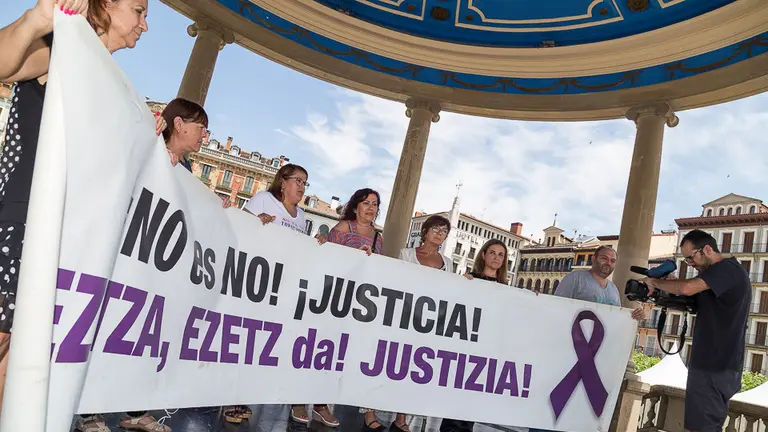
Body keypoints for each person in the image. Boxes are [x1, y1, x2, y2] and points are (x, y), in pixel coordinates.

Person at [0, 0, 165, 429]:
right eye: (139, 10)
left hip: (62, 232)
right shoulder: (62, 47)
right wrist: (36, 18)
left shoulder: (109, 78)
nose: (144, 24)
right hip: (21, 220)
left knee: (18, 351)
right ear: (107, 5)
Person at [641, 230, 750, 432]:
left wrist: (654, 282)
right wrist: (668, 286)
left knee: (702, 428)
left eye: (691, 258)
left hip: (714, 366)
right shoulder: (715, 281)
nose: (690, 264)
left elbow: (688, 289)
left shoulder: (728, 269)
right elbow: (687, 299)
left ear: (707, 249)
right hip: (715, 365)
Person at [321, 188, 385, 430]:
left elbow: (378, 270)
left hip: (360, 305)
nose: (370, 208)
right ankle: (319, 403)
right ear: (356, 205)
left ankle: (366, 409)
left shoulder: (378, 238)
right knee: (328, 349)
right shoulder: (343, 228)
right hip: (336, 298)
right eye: (366, 202)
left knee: (357, 353)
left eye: (375, 204)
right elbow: (324, 256)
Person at [390, 215, 453, 432]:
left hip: (428, 323)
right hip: (403, 317)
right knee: (389, 362)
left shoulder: (448, 263)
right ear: (425, 231)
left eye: (444, 230)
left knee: (413, 369)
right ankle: (369, 410)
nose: (439, 233)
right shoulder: (407, 254)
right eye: (435, 228)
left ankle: (401, 417)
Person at [441, 239, 509, 432]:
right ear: (484, 255)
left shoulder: (507, 288)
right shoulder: (469, 279)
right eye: (493, 253)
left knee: (472, 397)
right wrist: (463, 284)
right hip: (466, 346)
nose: (496, 258)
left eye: (501, 255)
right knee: (457, 395)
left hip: (487, 348)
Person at [554, 246, 647, 320]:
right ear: (593, 259)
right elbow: (556, 306)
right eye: (604, 258)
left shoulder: (614, 289)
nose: (608, 263)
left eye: (612, 261)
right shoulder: (574, 278)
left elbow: (616, 318)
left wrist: (636, 315)